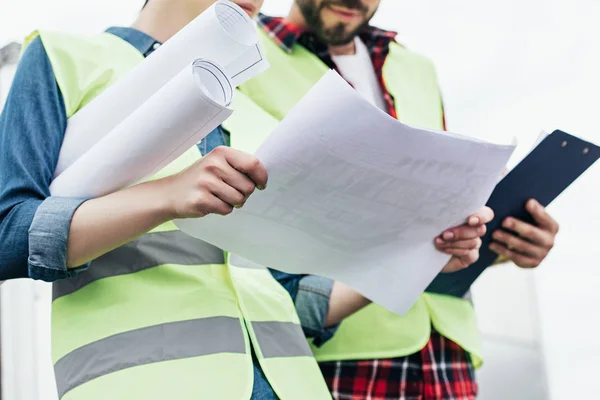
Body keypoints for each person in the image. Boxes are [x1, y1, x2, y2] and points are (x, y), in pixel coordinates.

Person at [0, 0, 491, 399]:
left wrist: (424, 252)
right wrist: (166, 196)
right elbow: (8, 235)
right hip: (147, 383)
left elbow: (295, 299)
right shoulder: (66, 58)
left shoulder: (254, 109)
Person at [218, 0, 561, 398]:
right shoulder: (245, 52)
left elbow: (441, 209)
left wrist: (508, 239)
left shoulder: (416, 68)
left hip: (447, 347)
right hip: (340, 346)